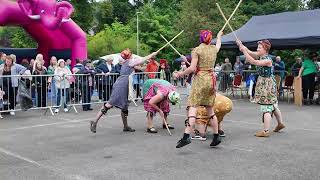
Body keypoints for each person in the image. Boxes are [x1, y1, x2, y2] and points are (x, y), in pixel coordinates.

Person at [174, 30, 223, 148]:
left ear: (200, 39)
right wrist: (219, 36)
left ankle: (186, 137)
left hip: (200, 81)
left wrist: (179, 74)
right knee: (210, 110)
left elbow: (192, 68)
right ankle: (216, 136)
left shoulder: (196, 50)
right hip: (210, 81)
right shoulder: (213, 49)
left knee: (193, 107)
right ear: (210, 39)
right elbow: (218, 45)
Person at [90, 49, 158, 133]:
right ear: (129, 55)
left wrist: (151, 64)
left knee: (125, 106)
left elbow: (141, 68)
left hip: (125, 85)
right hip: (121, 85)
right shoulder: (130, 61)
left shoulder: (128, 63)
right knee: (109, 104)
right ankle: (94, 122)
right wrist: (152, 54)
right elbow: (142, 59)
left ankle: (125, 126)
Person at [237, 39, 285, 137]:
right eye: (257, 47)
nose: (257, 49)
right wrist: (241, 45)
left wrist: (244, 51)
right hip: (267, 83)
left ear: (265, 49)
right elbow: (250, 52)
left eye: (259, 48)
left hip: (266, 85)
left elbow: (253, 61)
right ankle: (280, 124)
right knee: (274, 105)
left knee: (266, 107)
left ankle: (266, 131)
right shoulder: (261, 55)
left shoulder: (267, 60)